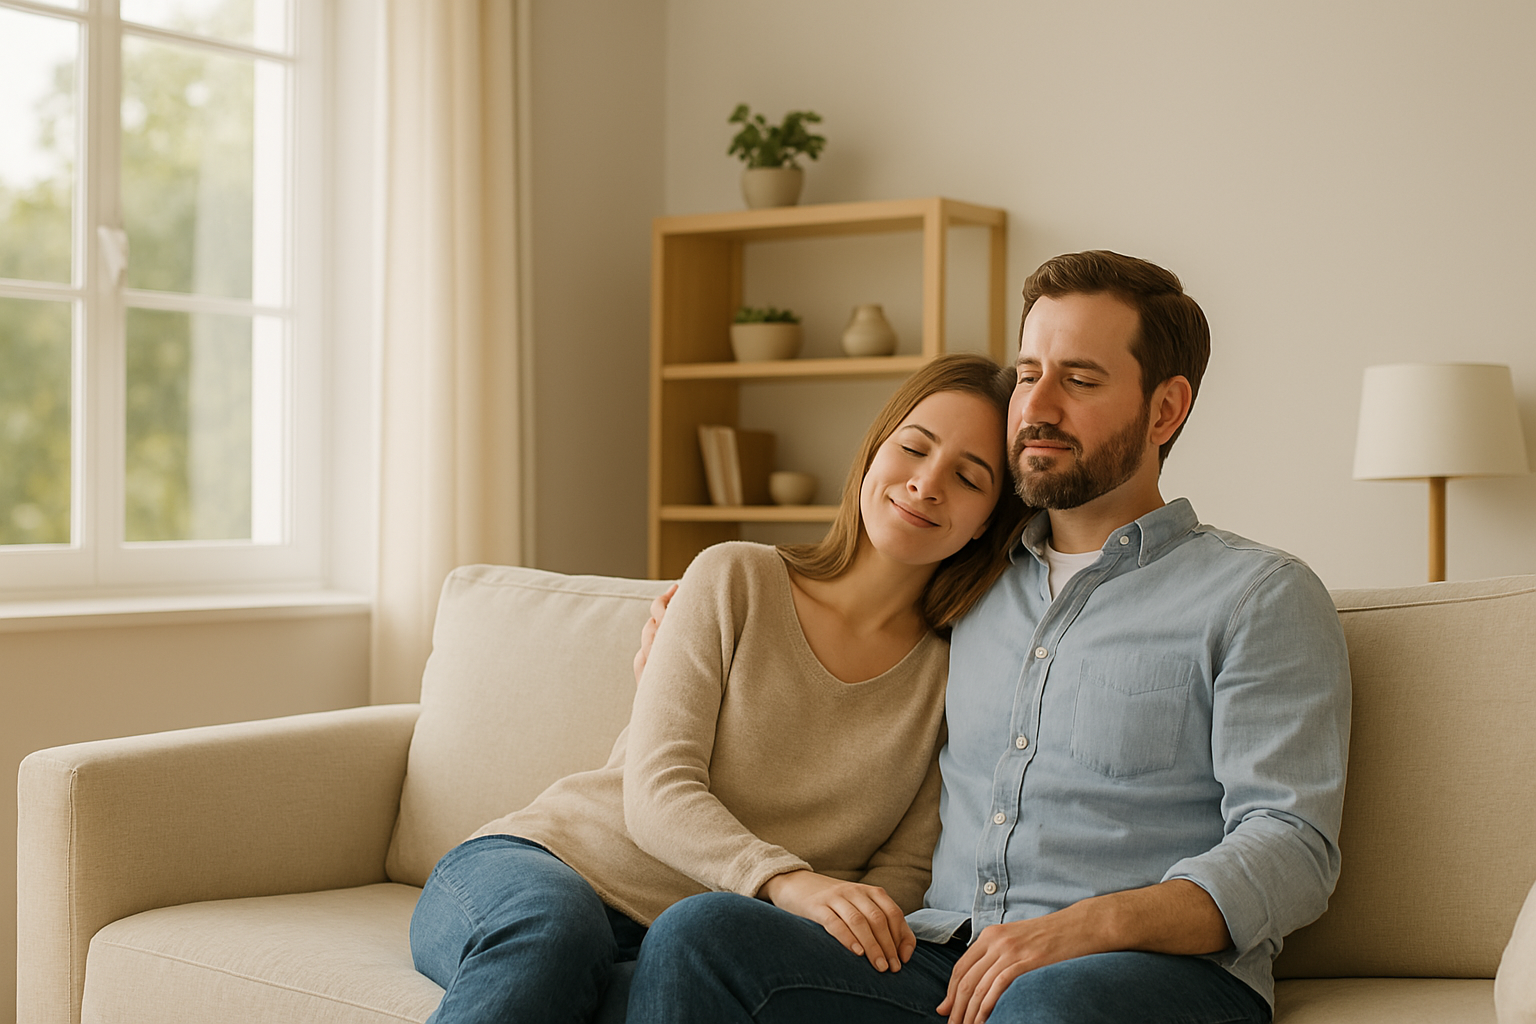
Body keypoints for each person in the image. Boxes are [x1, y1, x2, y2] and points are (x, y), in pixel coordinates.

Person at [626, 251, 1352, 1024]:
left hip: (1147, 975)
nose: (1036, 406)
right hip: (945, 957)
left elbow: (1292, 845)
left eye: (1080, 380)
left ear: (1165, 410)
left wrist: (1081, 928)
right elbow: (837, 623)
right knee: (701, 935)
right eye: (1029, 372)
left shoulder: (1258, 596)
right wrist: (685, 632)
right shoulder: (967, 584)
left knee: (1045, 1004)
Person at [407, 353, 1030, 1023]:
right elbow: (658, 790)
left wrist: (834, 926)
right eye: (913, 448)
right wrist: (788, 882)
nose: (926, 484)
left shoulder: (958, 677)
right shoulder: (736, 578)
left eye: (967, 477)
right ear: (874, 455)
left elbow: (904, 870)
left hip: (695, 937)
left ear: (989, 521)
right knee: (555, 935)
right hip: (549, 868)